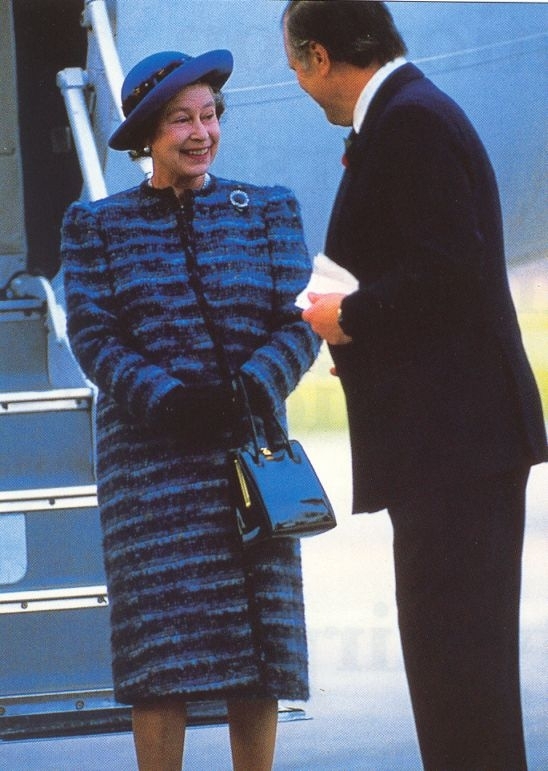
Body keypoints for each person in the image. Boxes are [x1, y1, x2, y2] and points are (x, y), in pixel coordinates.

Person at [282, 2, 547, 769]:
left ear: (322, 58)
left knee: (458, 668)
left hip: (454, 447)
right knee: (457, 666)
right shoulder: (407, 113)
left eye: (296, 66)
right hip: (453, 443)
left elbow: (450, 273)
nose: (297, 82)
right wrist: (365, 339)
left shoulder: (411, 122)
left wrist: (350, 316)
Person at [61, 47, 319, 771]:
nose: (201, 133)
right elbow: (93, 335)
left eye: (209, 116)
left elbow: (301, 319)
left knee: (260, 651)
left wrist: (250, 386)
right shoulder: (96, 227)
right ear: (148, 134)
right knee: (160, 654)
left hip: (249, 454)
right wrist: (168, 401)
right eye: (181, 120)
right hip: (151, 473)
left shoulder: (269, 209)